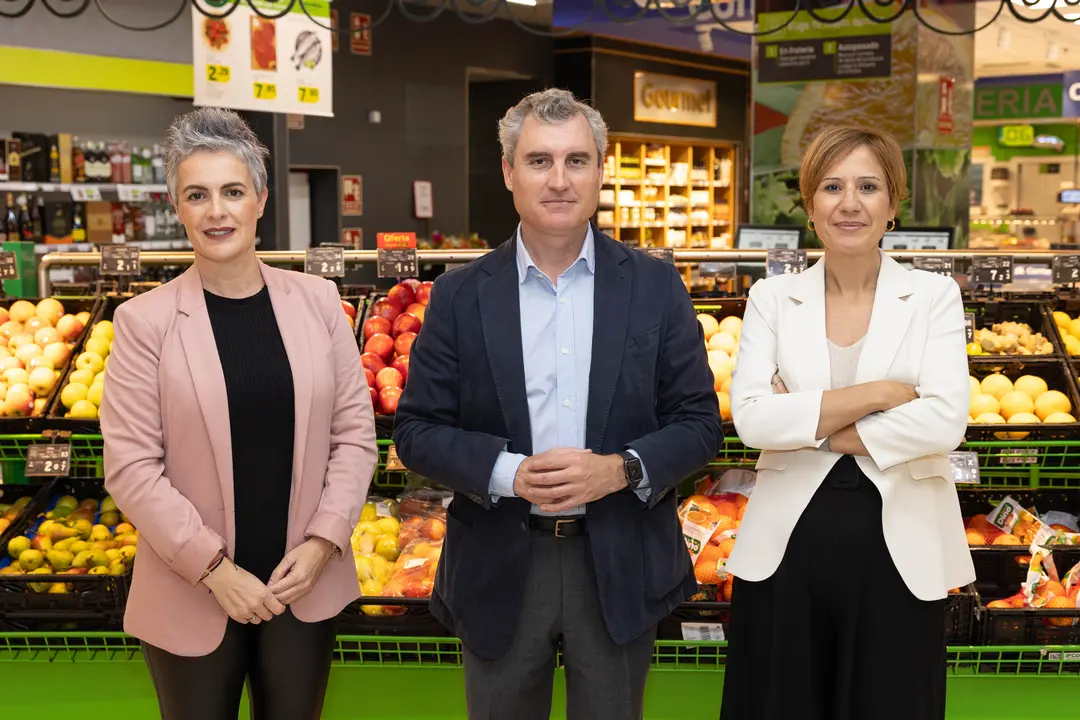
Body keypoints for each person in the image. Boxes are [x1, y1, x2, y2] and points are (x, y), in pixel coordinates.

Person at [393, 88, 722, 719]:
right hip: (498, 563)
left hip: (621, 561)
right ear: (509, 173)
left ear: (602, 171)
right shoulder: (460, 296)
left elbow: (700, 424)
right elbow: (417, 431)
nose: (559, 180)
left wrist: (620, 469)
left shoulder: (655, 286)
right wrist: (507, 472)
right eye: (540, 161)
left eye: (576, 160)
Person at [100, 107, 377, 720]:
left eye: (232, 192)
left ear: (261, 200)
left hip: (300, 585)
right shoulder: (143, 322)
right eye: (197, 195)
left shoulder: (319, 301)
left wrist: (323, 542)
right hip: (189, 588)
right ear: (177, 207)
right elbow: (131, 467)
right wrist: (214, 569)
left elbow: (355, 436)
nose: (216, 211)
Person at [722, 126, 975, 720]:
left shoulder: (934, 296)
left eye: (868, 186)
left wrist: (811, 424)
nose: (849, 203)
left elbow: (944, 421)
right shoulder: (773, 299)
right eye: (832, 187)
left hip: (901, 549)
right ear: (811, 205)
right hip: (786, 551)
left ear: (893, 204)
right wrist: (882, 394)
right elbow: (754, 420)